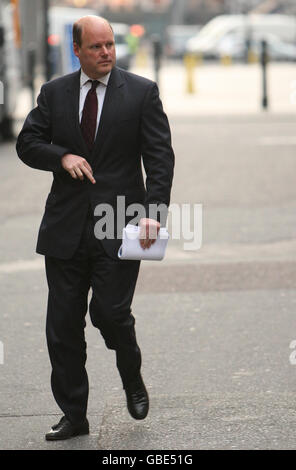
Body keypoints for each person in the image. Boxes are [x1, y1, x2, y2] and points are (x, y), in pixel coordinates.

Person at [16, 15, 174, 441]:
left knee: (109, 312)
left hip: (121, 223)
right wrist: (62, 156)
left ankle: (132, 374)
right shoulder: (54, 94)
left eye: (110, 45)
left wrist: (153, 214)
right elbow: (27, 143)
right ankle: (74, 414)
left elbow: (159, 158)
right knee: (63, 326)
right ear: (77, 51)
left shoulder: (141, 93)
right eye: (96, 46)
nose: (106, 52)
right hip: (65, 227)